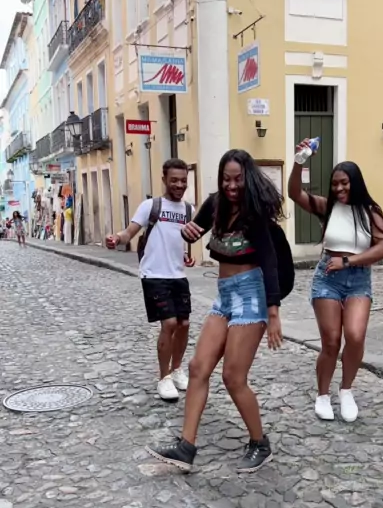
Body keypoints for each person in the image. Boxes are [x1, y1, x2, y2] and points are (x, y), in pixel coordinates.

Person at [146, 149, 284, 474]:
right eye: (226, 179)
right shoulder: (216, 204)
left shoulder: (255, 212)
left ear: (248, 178)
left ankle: (260, 442)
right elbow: (195, 228)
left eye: (238, 179)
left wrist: (273, 313)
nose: (232, 186)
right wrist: (188, 233)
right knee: (198, 368)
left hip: (251, 296)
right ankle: (186, 447)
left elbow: (269, 262)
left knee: (233, 378)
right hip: (224, 296)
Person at [288, 141, 383, 423]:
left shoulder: (370, 211)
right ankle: (323, 395)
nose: (339, 188)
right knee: (331, 342)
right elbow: (295, 193)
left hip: (358, 279)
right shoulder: (328, 207)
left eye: (344, 183)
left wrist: (348, 261)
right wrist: (299, 160)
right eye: (334, 184)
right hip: (328, 280)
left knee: (355, 336)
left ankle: (346, 390)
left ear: (355, 182)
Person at [106, 158, 195, 400]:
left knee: (184, 324)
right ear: (164, 179)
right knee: (169, 323)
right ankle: (164, 378)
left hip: (178, 275)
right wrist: (117, 238)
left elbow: (180, 239)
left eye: (183, 181)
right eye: (174, 180)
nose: (179, 185)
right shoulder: (151, 206)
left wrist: (186, 256)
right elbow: (130, 232)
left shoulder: (189, 210)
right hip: (154, 274)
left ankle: (177, 370)